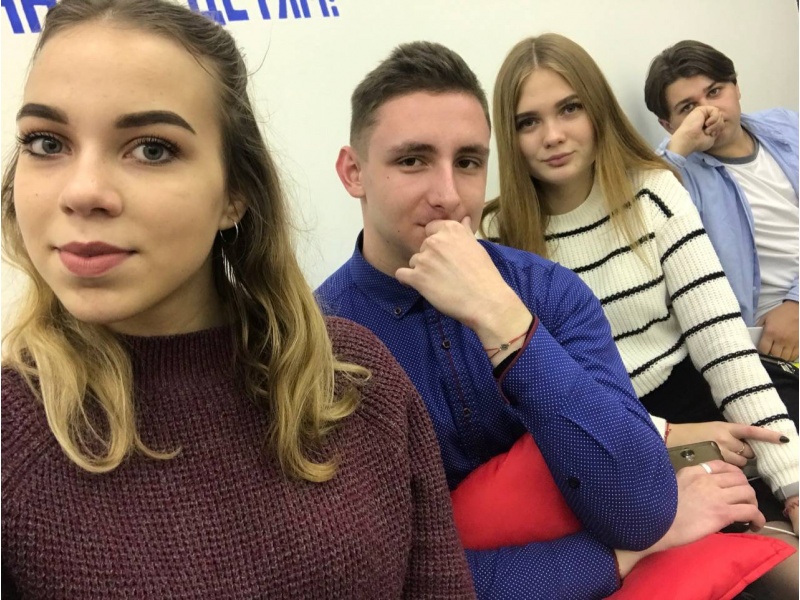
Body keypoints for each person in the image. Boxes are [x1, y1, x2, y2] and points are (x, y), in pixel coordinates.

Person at [0, 1, 477, 597]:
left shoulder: (358, 383)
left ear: (235, 194)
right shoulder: (12, 440)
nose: (83, 191)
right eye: (47, 142)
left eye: (152, 149)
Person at [316, 40, 766, 600]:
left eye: (468, 162)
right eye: (412, 160)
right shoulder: (318, 345)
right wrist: (617, 558)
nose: (449, 196)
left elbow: (642, 507)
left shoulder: (547, 289)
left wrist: (504, 321)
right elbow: (392, 578)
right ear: (353, 172)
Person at [483, 32, 798, 596]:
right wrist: (670, 436)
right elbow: (535, 394)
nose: (552, 135)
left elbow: (724, 346)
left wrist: (793, 483)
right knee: (770, 575)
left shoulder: (654, 194)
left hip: (695, 406)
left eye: (569, 109)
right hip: (600, 444)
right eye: (528, 121)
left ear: (597, 110)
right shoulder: (497, 235)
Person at [643, 40, 798, 366]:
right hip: (765, 341)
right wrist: (681, 146)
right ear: (668, 125)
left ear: (736, 87)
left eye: (714, 92)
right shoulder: (673, 172)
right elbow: (640, 229)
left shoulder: (786, 126)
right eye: (688, 108)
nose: (708, 111)